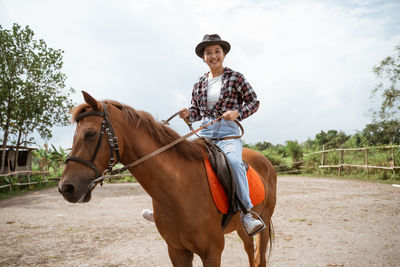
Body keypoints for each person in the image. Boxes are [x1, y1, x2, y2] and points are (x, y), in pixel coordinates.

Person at [142, 34, 264, 235]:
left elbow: (254, 102)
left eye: (217, 51)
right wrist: (188, 114)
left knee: (234, 163)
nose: (213, 56)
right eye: (209, 53)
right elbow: (197, 113)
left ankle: (246, 214)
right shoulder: (198, 83)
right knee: (176, 157)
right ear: (203, 57)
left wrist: (237, 113)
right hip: (205, 132)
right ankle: (162, 210)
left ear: (223, 54)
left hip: (228, 135)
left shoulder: (236, 77)